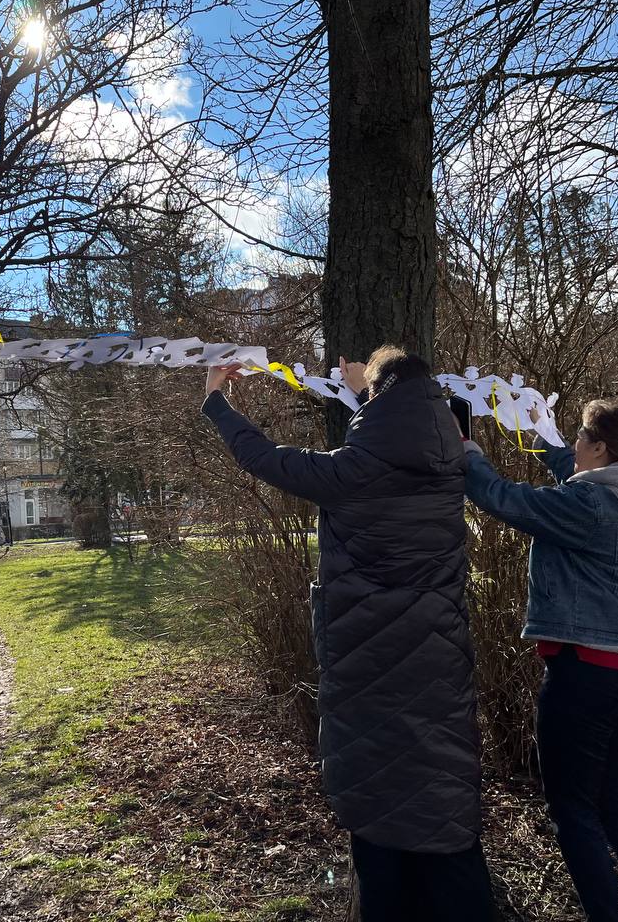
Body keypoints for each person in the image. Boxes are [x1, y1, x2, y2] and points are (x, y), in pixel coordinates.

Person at [202, 347, 493, 922]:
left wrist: (215, 400)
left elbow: (263, 456)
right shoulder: (452, 463)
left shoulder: (351, 473)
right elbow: (401, 431)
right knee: (443, 803)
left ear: (380, 400)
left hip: (370, 667)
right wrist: (367, 394)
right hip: (439, 663)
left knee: (380, 812)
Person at [463, 399, 618, 922]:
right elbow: (575, 476)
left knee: (572, 812)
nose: (573, 445)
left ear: (601, 448)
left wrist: (467, 453)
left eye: (580, 438)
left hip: (585, 675)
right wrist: (542, 437)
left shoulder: (590, 505)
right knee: (616, 807)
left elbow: (505, 498)